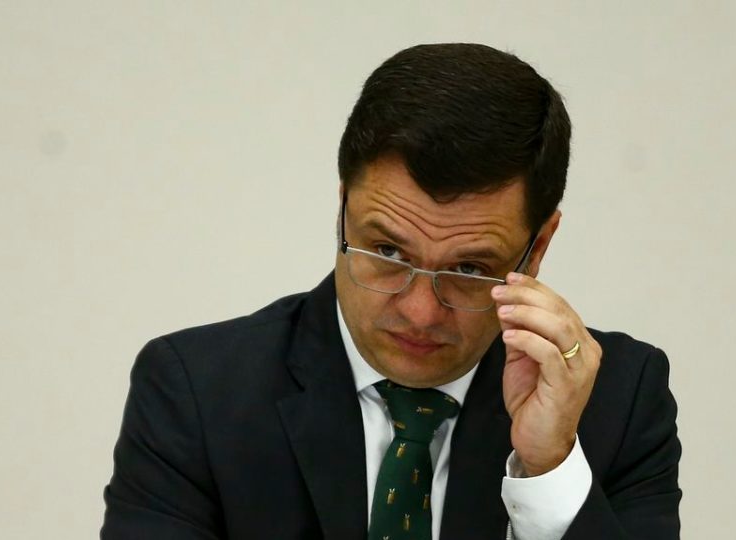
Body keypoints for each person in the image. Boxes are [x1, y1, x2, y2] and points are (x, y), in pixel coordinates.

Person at [100, 43, 681, 539]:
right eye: (388, 253)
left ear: (540, 244)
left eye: (470, 268)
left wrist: (548, 468)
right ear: (342, 210)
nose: (421, 312)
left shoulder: (617, 402)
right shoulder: (198, 393)